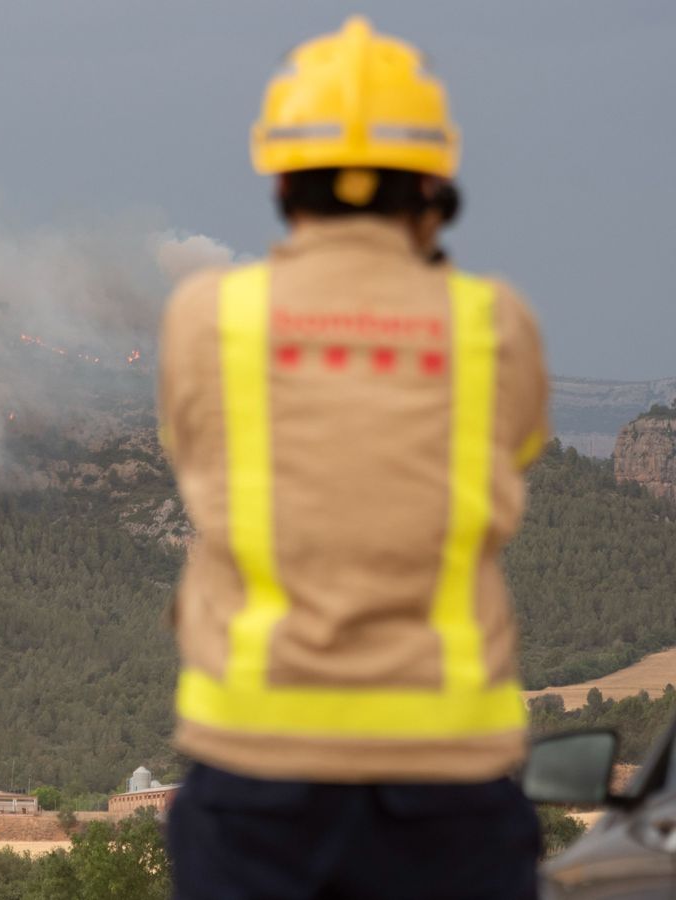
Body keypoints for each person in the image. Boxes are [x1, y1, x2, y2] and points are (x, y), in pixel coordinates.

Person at [156, 16, 548, 899]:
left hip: (255, 776)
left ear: (282, 177)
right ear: (434, 184)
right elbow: (516, 446)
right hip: (449, 778)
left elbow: (189, 449)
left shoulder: (207, 319)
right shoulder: (495, 324)